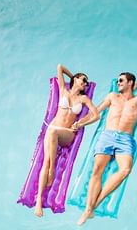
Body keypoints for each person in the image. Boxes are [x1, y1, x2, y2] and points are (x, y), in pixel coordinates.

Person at [76, 72, 137, 226]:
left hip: (125, 139)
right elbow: (96, 112)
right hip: (108, 136)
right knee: (97, 169)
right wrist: (80, 123)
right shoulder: (112, 96)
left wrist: (136, 85)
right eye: (118, 81)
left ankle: (94, 205)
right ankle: (87, 210)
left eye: (121, 81)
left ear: (130, 82)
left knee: (125, 170)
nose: (118, 83)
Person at [34, 64, 99, 217]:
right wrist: (72, 77)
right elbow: (60, 67)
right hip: (53, 132)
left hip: (67, 134)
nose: (84, 83)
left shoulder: (83, 98)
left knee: (52, 130)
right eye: (82, 80)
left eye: (86, 83)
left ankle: (52, 171)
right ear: (75, 79)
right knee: (46, 161)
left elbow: (96, 115)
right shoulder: (63, 90)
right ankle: (38, 204)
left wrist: (80, 123)